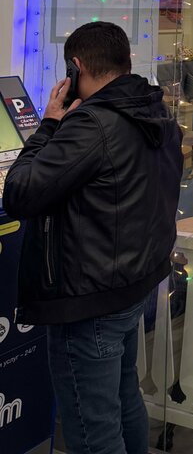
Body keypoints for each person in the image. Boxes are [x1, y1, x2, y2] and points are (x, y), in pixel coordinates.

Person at [3, 22, 183, 454]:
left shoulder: (92, 124)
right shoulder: (152, 110)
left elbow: (20, 193)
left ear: (76, 66)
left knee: (92, 427)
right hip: (131, 284)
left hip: (88, 298)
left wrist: (49, 124)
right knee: (123, 398)